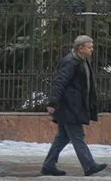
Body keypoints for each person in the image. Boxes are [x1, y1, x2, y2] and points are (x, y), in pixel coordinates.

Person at [41, 36, 107, 177]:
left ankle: (48, 165)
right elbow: (60, 82)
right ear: (80, 48)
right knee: (77, 136)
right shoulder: (71, 62)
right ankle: (89, 166)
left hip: (73, 106)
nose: (92, 49)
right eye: (90, 47)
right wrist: (52, 102)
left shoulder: (80, 60)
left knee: (63, 137)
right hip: (69, 107)